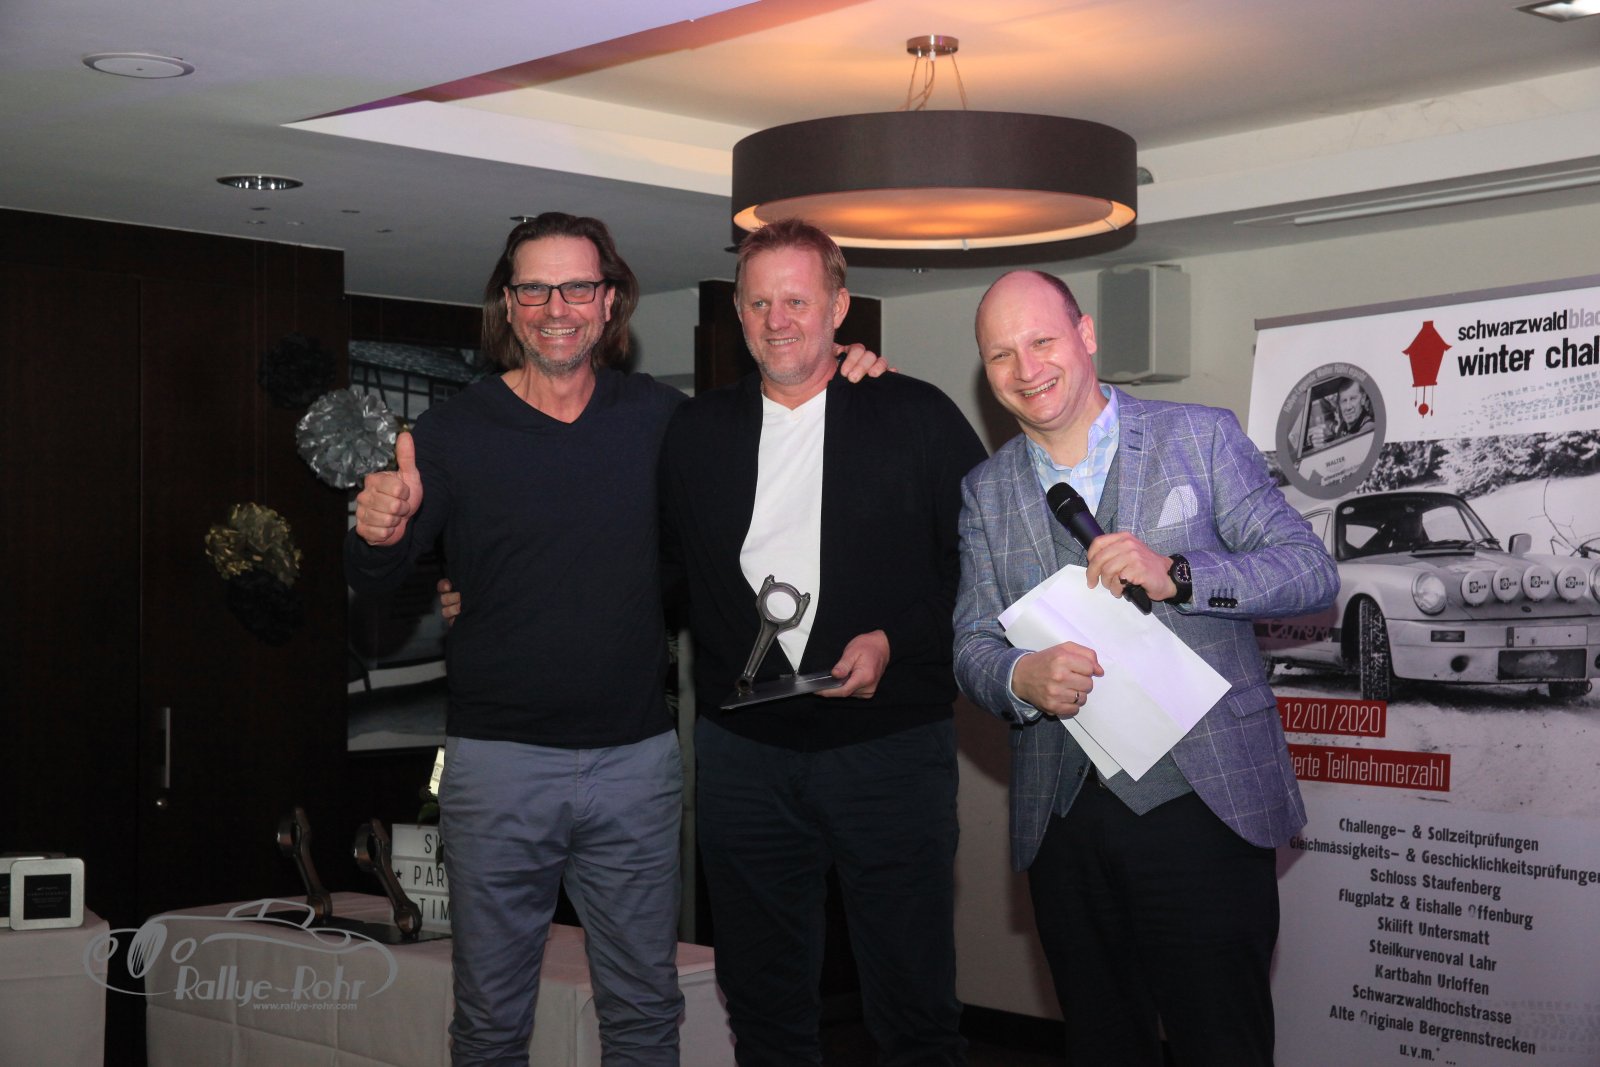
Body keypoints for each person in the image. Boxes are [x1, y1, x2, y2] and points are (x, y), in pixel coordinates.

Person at [358, 213, 884, 1066]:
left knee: (644, 1014)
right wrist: (378, 528)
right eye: (534, 288)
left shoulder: (666, 421)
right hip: (497, 766)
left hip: (635, 766)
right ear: (508, 304)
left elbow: (778, 449)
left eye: (577, 287)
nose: (555, 307)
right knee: (489, 1021)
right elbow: (381, 575)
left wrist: (850, 375)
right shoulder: (453, 432)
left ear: (609, 302)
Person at [953, 270, 1337, 1066]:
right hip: (1065, 822)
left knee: (1221, 1043)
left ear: (1087, 335)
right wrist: (1020, 678)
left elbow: (1309, 570)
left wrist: (1181, 574)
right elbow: (970, 644)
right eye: (1001, 354)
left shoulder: (1199, 436)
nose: (1026, 368)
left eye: (1042, 340)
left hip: (1205, 804)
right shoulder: (985, 492)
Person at [658, 219, 985, 1065]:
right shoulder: (697, 431)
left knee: (913, 1007)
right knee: (763, 1007)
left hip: (891, 749)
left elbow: (985, 571)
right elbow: (656, 570)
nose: (777, 320)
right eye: (758, 302)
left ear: (839, 308)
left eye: (797, 300)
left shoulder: (915, 414)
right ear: (738, 312)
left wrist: (896, 642)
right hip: (743, 756)